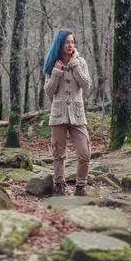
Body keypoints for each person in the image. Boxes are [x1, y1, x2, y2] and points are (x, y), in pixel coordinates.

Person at [43, 30, 92, 196]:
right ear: (60, 44)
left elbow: (86, 85)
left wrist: (75, 66)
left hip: (77, 115)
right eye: (67, 42)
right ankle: (60, 186)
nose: (71, 45)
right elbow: (48, 91)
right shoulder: (52, 64)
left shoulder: (81, 62)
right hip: (58, 115)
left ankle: (80, 186)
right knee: (58, 154)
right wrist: (56, 72)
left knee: (85, 153)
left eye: (73, 42)